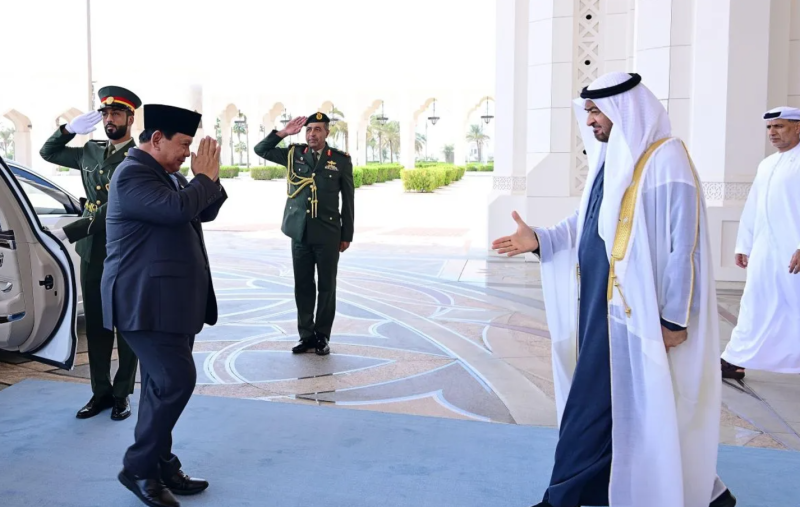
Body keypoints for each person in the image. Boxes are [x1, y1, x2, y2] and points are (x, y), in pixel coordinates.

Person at [491, 72, 736, 507]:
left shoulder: (666, 158)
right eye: (586, 111)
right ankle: (707, 495)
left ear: (626, 109)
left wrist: (674, 318)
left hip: (636, 312)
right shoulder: (611, 160)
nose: (589, 121)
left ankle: (560, 498)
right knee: (639, 405)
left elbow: (687, 244)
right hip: (599, 306)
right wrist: (541, 239)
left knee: (595, 405)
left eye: (595, 111)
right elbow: (586, 221)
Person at [102, 104, 226, 507]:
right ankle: (138, 467)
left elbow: (200, 209)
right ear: (156, 139)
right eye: (184, 145)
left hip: (169, 303)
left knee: (160, 386)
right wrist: (202, 179)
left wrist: (210, 179)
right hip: (143, 303)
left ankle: (161, 462)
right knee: (175, 380)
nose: (188, 154)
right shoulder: (133, 173)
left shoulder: (164, 174)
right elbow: (176, 211)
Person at [40, 86, 141, 421]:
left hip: (126, 250)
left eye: (116, 114)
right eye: (105, 115)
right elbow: (48, 153)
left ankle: (123, 392)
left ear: (130, 117)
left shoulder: (140, 158)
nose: (110, 120)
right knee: (97, 324)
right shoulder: (90, 151)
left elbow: (116, 207)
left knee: (126, 326)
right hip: (94, 252)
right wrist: (68, 129)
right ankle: (100, 392)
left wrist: (69, 231)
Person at [254, 112, 355, 356]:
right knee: (303, 286)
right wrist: (284, 132)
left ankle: (322, 336)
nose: (312, 134)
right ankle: (306, 336)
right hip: (299, 233)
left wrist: (347, 234)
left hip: (329, 233)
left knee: (327, 287)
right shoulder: (294, 154)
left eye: (318, 129)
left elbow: (348, 200)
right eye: (309, 129)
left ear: (327, 133)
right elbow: (261, 149)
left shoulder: (339, 160)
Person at [721, 106, 800, 380]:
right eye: (769, 128)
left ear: (798, 127)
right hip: (766, 251)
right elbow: (754, 206)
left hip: (794, 252)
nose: (772, 133)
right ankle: (736, 359)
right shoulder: (767, 164)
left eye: (779, 126)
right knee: (754, 303)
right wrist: (744, 244)